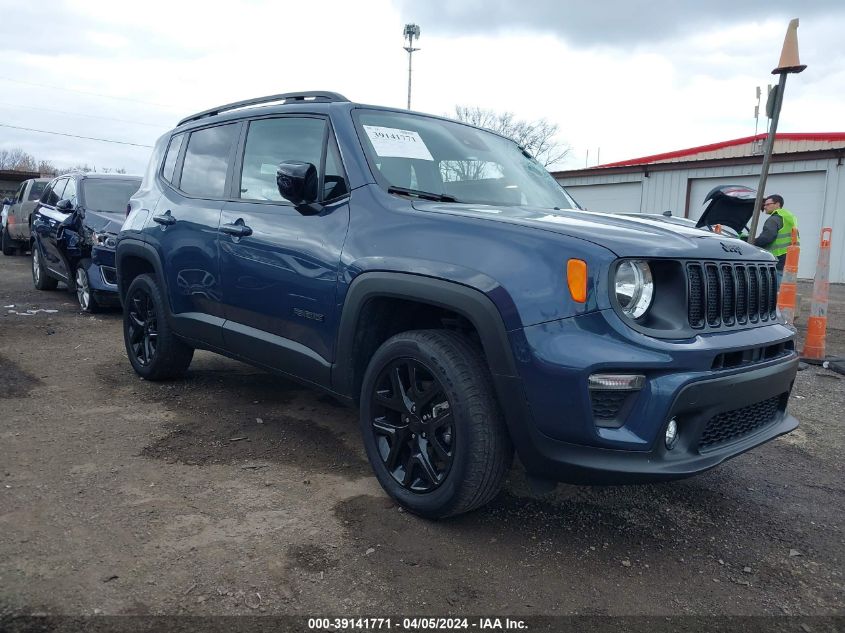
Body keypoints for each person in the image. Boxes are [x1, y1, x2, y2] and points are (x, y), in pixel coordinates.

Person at [753, 194, 799, 285]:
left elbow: (767, 237)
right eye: (764, 205)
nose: (764, 207)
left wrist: (753, 242)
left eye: (767, 204)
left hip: (777, 256)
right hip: (789, 255)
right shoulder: (788, 217)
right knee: (785, 284)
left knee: (774, 285)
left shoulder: (774, 219)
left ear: (777, 204)